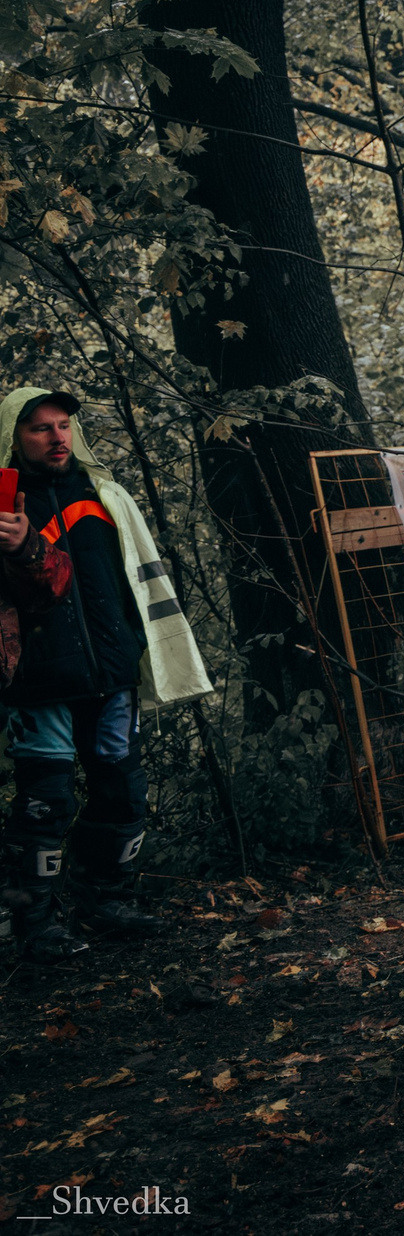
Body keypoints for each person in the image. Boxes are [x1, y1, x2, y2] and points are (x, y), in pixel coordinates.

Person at [1, 389, 212, 961]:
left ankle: (104, 900)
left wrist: (135, 651)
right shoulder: (2, 505)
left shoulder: (105, 496)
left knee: (121, 790)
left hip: (111, 675)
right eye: (39, 428)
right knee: (44, 803)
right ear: (12, 438)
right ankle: (35, 926)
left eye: (63, 424)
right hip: (39, 683)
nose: (57, 437)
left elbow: (134, 587)